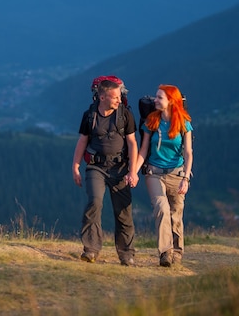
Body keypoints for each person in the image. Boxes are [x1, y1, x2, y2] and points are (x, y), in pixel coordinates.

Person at [72, 79, 139, 266]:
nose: (119, 100)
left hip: (120, 168)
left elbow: (132, 144)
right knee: (94, 202)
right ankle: (91, 250)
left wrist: (133, 171)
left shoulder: (125, 115)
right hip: (96, 167)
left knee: (123, 211)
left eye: (119, 96)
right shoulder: (89, 116)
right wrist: (75, 166)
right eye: (115, 97)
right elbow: (82, 141)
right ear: (102, 97)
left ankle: (126, 254)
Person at [131, 84, 193, 267]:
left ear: (171, 101)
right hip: (154, 173)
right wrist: (133, 172)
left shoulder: (183, 123)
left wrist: (186, 178)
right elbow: (143, 150)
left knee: (176, 213)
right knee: (162, 209)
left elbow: (188, 152)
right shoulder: (152, 120)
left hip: (177, 173)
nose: (155, 100)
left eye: (159, 98)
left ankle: (177, 251)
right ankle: (165, 253)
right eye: (156, 97)